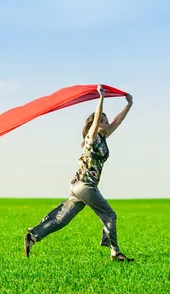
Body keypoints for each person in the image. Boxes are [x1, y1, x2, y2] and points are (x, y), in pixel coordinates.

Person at [24, 85, 134, 262]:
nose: (107, 123)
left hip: (78, 186)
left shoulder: (103, 138)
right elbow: (98, 117)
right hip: (86, 186)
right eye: (104, 121)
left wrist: (128, 105)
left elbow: (117, 122)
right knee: (109, 215)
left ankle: (34, 236)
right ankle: (115, 252)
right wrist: (101, 97)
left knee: (63, 218)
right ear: (96, 125)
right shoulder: (92, 138)